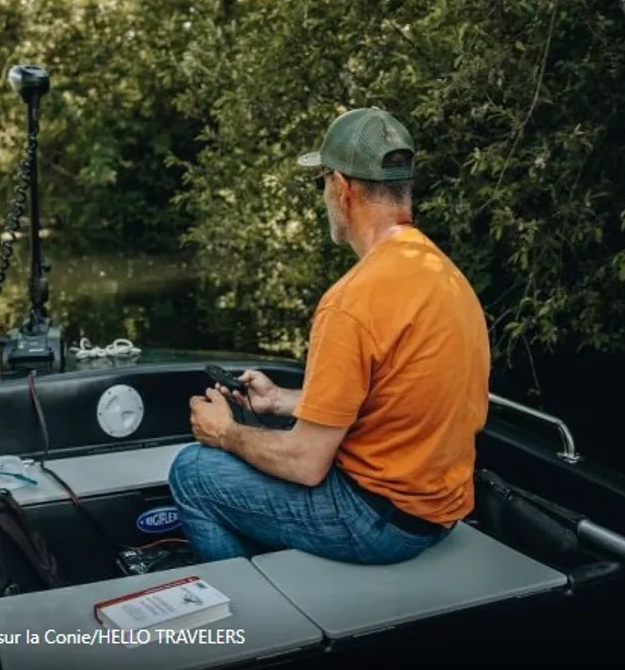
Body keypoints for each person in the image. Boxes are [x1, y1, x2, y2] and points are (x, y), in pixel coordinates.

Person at [167, 107, 491, 565]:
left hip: (376, 523)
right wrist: (279, 401)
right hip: (438, 516)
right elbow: (389, 401)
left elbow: (305, 463)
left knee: (192, 472)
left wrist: (225, 432)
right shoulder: (444, 275)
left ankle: (255, 604)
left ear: (341, 187)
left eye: (322, 183)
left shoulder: (351, 301)